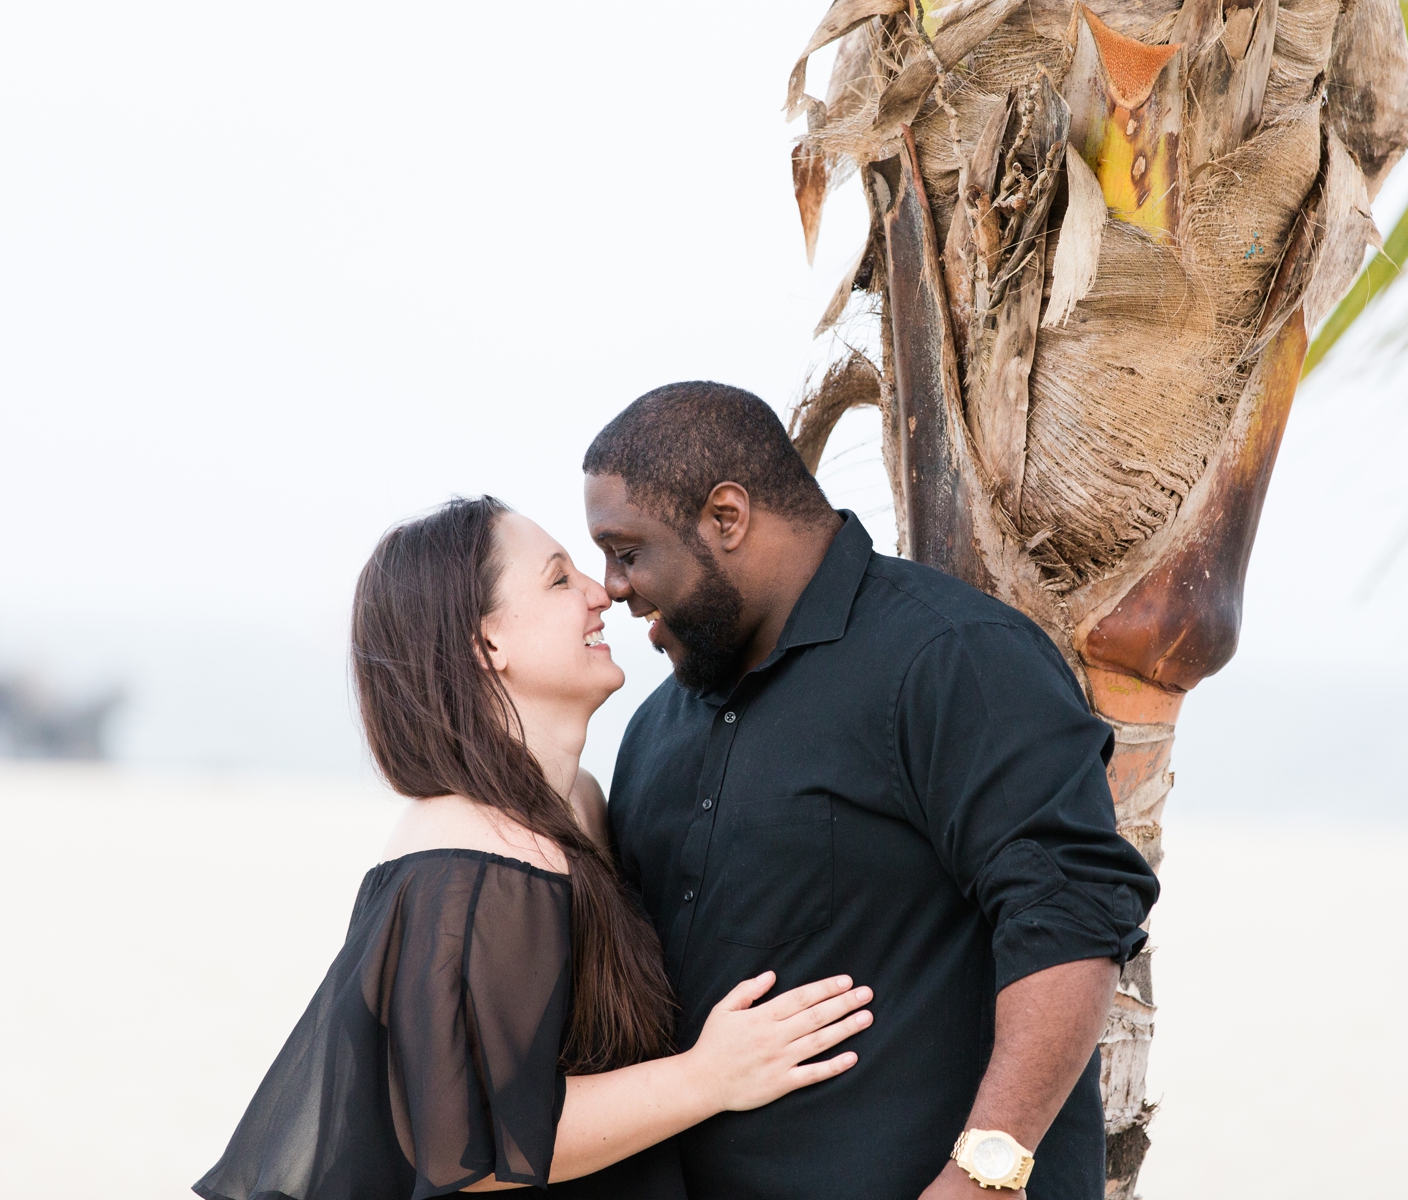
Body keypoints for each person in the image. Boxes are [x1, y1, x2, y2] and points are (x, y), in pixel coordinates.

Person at [194, 496, 874, 1200]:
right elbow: (471, 1144)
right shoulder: (477, 850)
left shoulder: (571, 804)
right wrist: (710, 1076)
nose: (601, 592)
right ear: (487, 645)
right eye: (559, 580)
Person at [583, 383, 1161, 1200]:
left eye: (628, 551)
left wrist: (982, 1179)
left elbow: (1070, 916)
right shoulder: (655, 729)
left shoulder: (953, 657)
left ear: (726, 517)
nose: (611, 585)